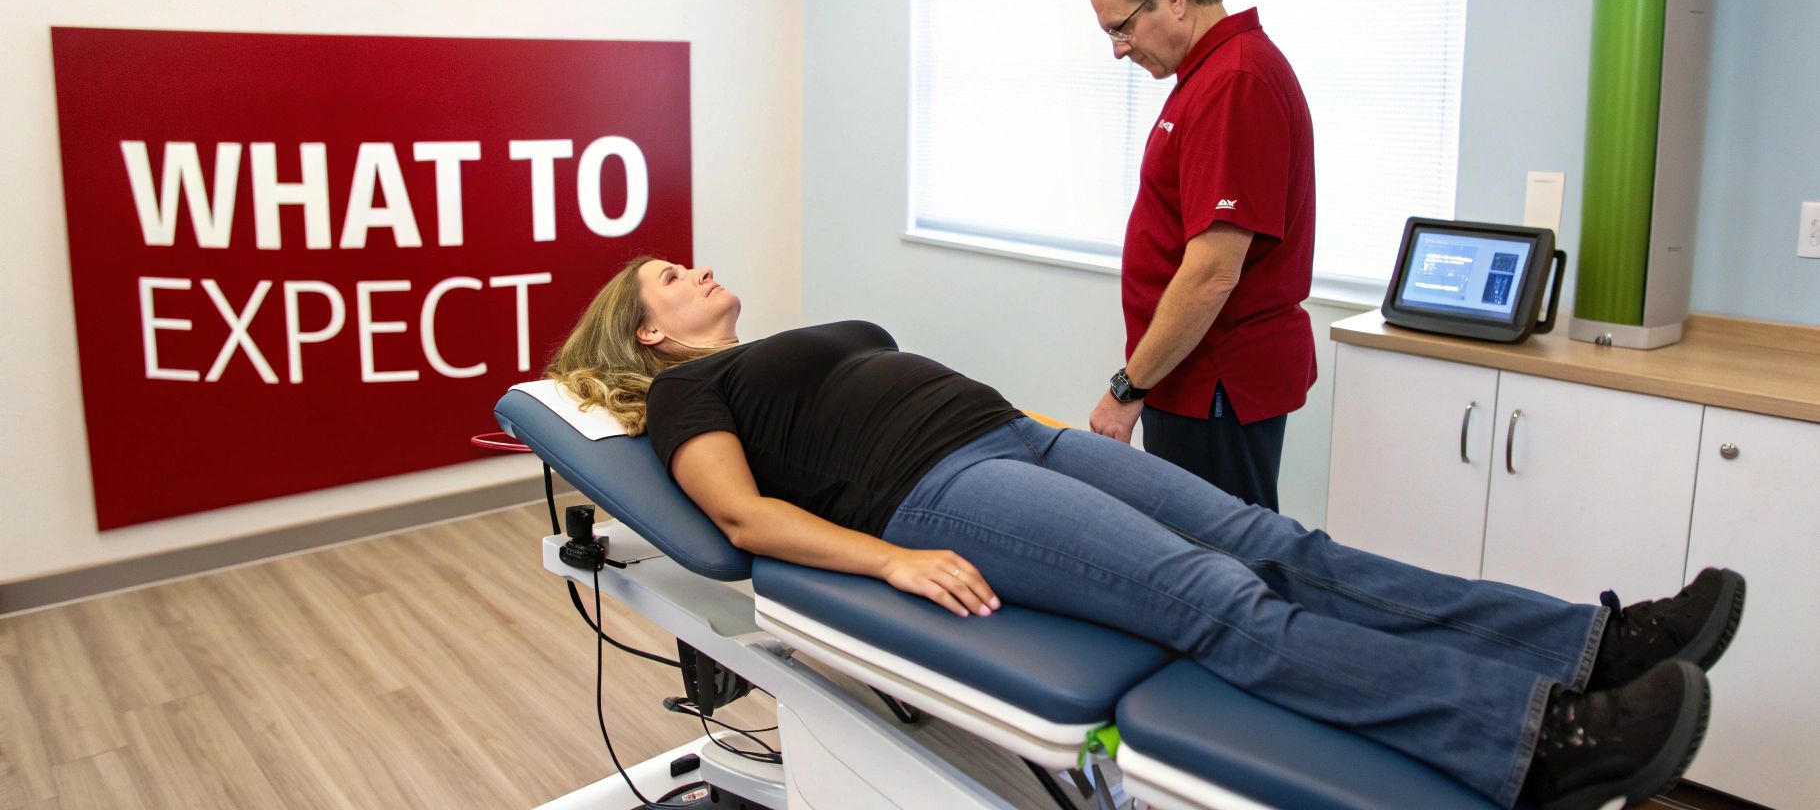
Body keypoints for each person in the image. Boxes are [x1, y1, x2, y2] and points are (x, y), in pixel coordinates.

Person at [548, 257, 1747, 810]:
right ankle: (1538, 741)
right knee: (1220, 604)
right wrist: (891, 559)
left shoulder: (793, 339)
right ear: (646, 334)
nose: (695, 270)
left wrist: (1056, 427)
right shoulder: (687, 396)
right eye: (668, 276)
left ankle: (1589, 642)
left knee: (1288, 548)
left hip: (1020, 440)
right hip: (937, 495)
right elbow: (739, 516)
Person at [1082, 0, 1316, 512]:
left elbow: (1212, 271)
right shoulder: (1210, 74)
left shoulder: (1235, 81)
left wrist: (1127, 386)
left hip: (1215, 381)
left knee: (1221, 565)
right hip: (1191, 379)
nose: (1118, 48)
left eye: (1121, 26)